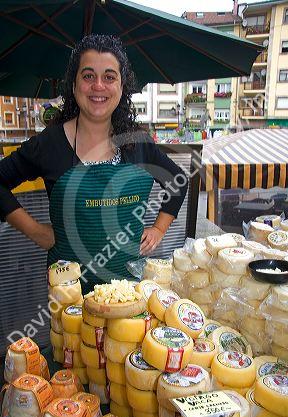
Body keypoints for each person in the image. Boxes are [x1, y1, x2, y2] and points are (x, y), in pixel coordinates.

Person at [0, 35, 188, 294]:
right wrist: (35, 231)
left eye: (109, 77)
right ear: (74, 85)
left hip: (129, 292)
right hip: (69, 297)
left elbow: (178, 180)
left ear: (122, 87)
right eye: (88, 76)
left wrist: (158, 229)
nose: (98, 86)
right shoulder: (49, 144)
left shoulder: (138, 142)